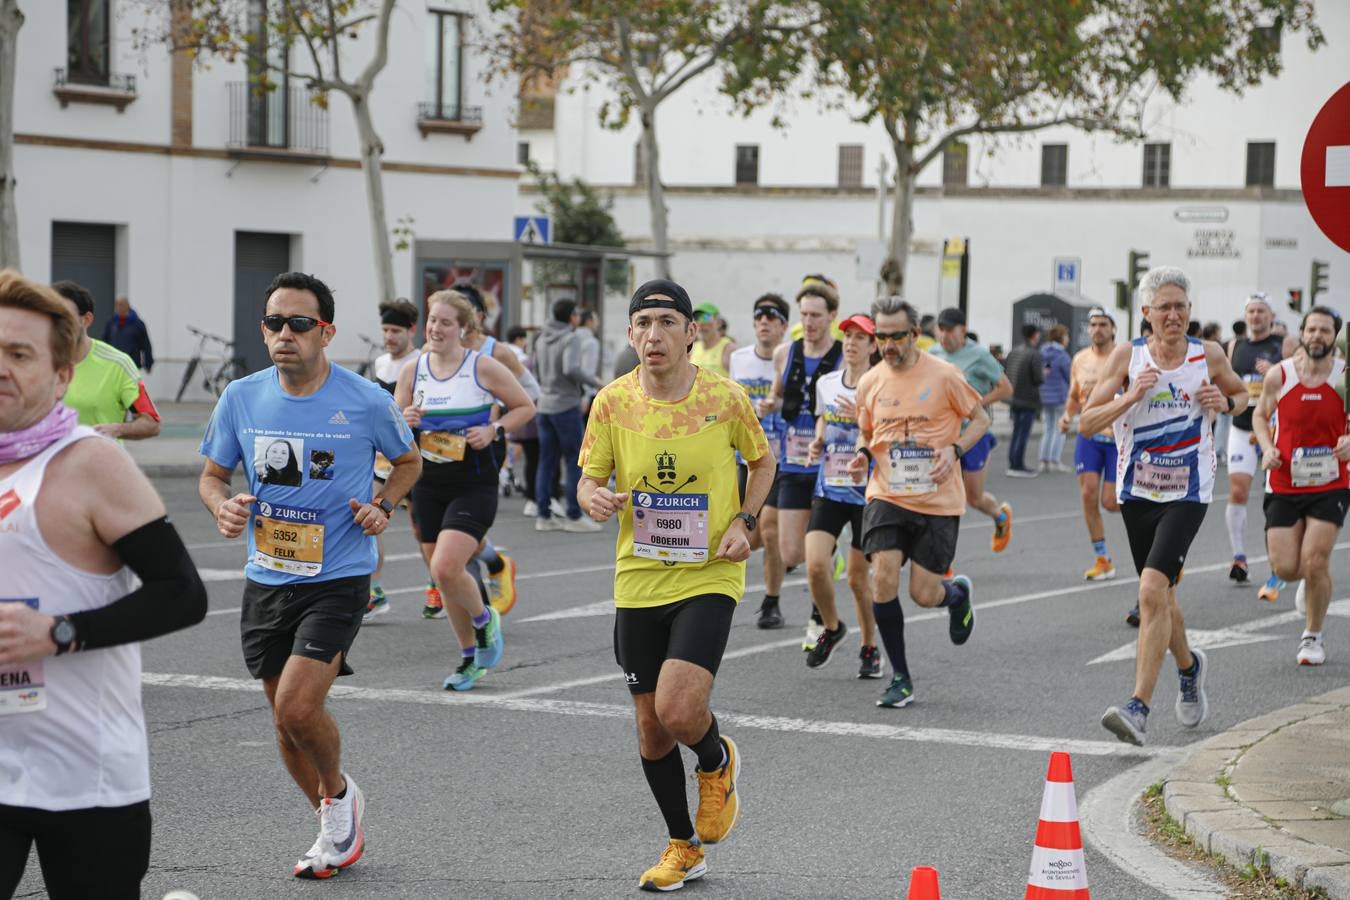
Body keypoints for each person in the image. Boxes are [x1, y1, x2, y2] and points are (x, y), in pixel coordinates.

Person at [198, 271, 422, 878]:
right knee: (282, 721)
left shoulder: (365, 399)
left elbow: (408, 460)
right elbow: (213, 474)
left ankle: (340, 796)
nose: (284, 334)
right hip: (266, 576)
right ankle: (333, 818)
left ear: (323, 332)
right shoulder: (241, 397)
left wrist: (383, 505)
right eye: (274, 322)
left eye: (299, 324)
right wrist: (222, 504)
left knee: (298, 710)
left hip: (338, 575)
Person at [0, 271, 206, 900]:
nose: (1, 367)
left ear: (61, 376)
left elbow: (182, 591)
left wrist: (62, 632)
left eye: (19, 353)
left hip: (83, 775)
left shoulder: (88, 462)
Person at [577, 279, 773, 892]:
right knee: (650, 726)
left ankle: (715, 761)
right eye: (642, 323)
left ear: (692, 332)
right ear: (630, 333)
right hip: (639, 575)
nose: (653, 334)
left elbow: (763, 461)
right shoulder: (611, 402)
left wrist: (746, 519)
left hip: (710, 569)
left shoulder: (726, 398)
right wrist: (594, 498)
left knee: (680, 708)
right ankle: (683, 846)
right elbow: (590, 480)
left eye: (666, 322)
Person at [1082, 266, 1247, 746]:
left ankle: (1138, 707)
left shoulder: (1208, 354)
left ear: (1189, 313)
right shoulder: (1126, 357)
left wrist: (1228, 402)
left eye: (1181, 306)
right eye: (1164, 307)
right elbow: (1088, 422)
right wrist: (1131, 395)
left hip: (1189, 490)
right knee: (1163, 597)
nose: (1173, 315)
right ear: (1147, 314)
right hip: (1138, 492)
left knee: (1152, 590)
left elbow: (1240, 396)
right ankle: (1190, 666)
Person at [847, 295, 989, 709]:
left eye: (896, 336)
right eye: (881, 336)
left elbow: (980, 419)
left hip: (937, 500)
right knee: (882, 578)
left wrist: (955, 451)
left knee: (924, 594)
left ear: (914, 334)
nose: (888, 345)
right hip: (887, 493)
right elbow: (866, 430)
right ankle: (901, 677)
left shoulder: (945, 375)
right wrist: (861, 455)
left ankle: (956, 597)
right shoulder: (870, 382)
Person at [395, 292, 534, 690]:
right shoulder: (413, 370)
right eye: (432, 321)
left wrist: (494, 429)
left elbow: (525, 406)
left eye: (445, 323)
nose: (436, 329)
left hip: (473, 483)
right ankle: (469, 658)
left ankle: (485, 619)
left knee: (445, 566)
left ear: (464, 329)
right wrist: (405, 418)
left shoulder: (482, 367)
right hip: (426, 485)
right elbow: (394, 425)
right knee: (445, 579)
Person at [1252, 307, 1349, 665]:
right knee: (1286, 568)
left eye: (1325, 331)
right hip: (1283, 482)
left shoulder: (1345, 377)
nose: (1317, 336)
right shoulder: (1280, 375)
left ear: (1335, 337)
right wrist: (1267, 448)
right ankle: (1307, 581)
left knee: (1316, 559)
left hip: (1331, 481)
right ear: (1303, 333)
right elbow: (1260, 415)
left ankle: (1312, 637)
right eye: (1312, 330)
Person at [761, 279, 843, 640]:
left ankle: (819, 604)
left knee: (814, 552)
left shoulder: (843, 355)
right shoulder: (785, 353)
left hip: (830, 462)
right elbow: (778, 396)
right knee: (790, 551)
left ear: (831, 317)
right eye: (804, 314)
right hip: (793, 460)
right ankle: (826, 558)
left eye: (816, 315)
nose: (809, 322)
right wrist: (769, 404)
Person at [803, 314, 882, 676]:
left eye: (860, 338)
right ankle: (833, 628)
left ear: (873, 345)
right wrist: (819, 439)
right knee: (816, 564)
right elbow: (823, 418)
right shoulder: (827, 382)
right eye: (847, 336)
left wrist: (865, 417)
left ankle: (870, 647)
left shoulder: (882, 384)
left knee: (856, 577)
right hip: (830, 486)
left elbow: (890, 431)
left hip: (867, 491)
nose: (851, 343)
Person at [931, 307, 1015, 557]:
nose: (944, 336)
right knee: (941, 496)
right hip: (944, 436)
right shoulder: (932, 354)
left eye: (950, 330)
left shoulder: (979, 355)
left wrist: (975, 404)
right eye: (941, 330)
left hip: (974, 433)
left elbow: (1005, 388)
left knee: (974, 497)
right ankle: (940, 559)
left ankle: (1000, 516)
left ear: (962, 330)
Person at [728, 293, 789, 627]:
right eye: (759, 316)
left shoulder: (791, 359)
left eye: (772, 316)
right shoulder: (738, 359)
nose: (764, 322)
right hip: (742, 458)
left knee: (771, 528)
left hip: (779, 457)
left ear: (783, 326)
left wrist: (775, 405)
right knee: (745, 532)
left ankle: (772, 601)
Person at [1225, 293, 1287, 592]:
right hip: (1240, 427)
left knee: (1273, 500)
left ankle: (1276, 567)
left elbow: (1297, 379)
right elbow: (1223, 381)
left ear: (1270, 315)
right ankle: (1239, 559)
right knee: (1237, 491)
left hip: (1275, 431)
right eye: (1251, 311)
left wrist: (1277, 372)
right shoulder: (1235, 345)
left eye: (1261, 311)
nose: (1255, 316)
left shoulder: (1283, 345)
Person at [365, 298, 421, 620]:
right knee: (371, 515)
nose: (389, 336)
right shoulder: (380, 364)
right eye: (385, 330)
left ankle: (436, 587)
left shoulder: (422, 362)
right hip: (383, 456)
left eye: (396, 330)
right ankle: (375, 592)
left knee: (421, 529)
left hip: (416, 454)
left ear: (411, 330)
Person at [50, 281, 160, 441]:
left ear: (86, 320)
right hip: (49, 465)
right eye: (52, 317)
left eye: (65, 317)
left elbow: (151, 423)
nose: (57, 325)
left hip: (99, 463)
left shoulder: (119, 364)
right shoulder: (38, 361)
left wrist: (117, 429)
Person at [1059, 308, 1123, 586]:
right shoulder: (1080, 359)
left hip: (1118, 438)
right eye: (1093, 325)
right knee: (1087, 495)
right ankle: (1102, 558)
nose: (1097, 329)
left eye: (1103, 325)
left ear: (1113, 329)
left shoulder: (1123, 357)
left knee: (1110, 502)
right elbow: (1075, 396)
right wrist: (1067, 415)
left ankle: (1151, 515)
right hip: (1089, 436)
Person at [533, 298, 603, 533]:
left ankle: (543, 514)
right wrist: (594, 381)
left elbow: (536, 369)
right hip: (565, 404)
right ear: (571, 316)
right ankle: (574, 514)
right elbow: (571, 368)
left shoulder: (541, 337)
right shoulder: (570, 337)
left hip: (544, 403)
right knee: (575, 460)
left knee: (546, 461)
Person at [1003, 324, 1044, 476]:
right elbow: (1038, 378)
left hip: (1014, 398)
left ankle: (1013, 462)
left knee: (1016, 431)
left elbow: (1006, 371)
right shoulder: (1034, 354)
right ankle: (1018, 465)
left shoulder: (1014, 352)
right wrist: (1044, 373)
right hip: (1028, 399)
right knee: (1023, 433)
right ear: (1035, 335)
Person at [1038, 324, 1072, 472]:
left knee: (1048, 428)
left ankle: (1043, 460)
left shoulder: (1042, 352)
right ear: (1062, 338)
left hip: (1044, 396)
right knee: (1059, 429)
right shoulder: (1063, 356)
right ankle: (1054, 460)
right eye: (1066, 336)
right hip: (1059, 396)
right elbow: (1070, 377)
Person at [101, 295, 153, 373]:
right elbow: (105, 341)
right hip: (115, 364)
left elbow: (146, 345)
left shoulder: (137, 324)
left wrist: (148, 363)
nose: (119, 307)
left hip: (132, 365)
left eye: (121, 304)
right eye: (117, 305)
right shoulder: (111, 323)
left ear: (127, 305)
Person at [691, 302, 736, 377]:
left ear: (719, 323)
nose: (701, 323)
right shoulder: (693, 348)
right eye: (697, 318)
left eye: (706, 317)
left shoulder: (728, 349)